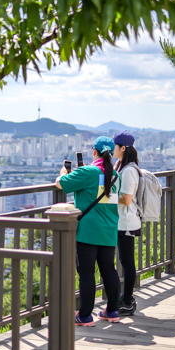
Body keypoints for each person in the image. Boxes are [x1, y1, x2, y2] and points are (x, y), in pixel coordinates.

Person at [55, 136, 121, 326]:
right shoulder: (116, 175)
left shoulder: (88, 171)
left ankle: (84, 315)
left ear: (95, 152)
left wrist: (63, 173)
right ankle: (112, 310)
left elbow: (61, 183)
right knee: (109, 270)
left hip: (88, 231)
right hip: (109, 229)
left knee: (86, 273)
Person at [112, 130, 140, 315]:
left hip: (127, 222)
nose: (112, 149)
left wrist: (107, 196)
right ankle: (126, 298)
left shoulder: (129, 170)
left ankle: (128, 300)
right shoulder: (123, 166)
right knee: (125, 260)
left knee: (127, 262)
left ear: (122, 148)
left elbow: (126, 199)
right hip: (122, 221)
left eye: (115, 145)